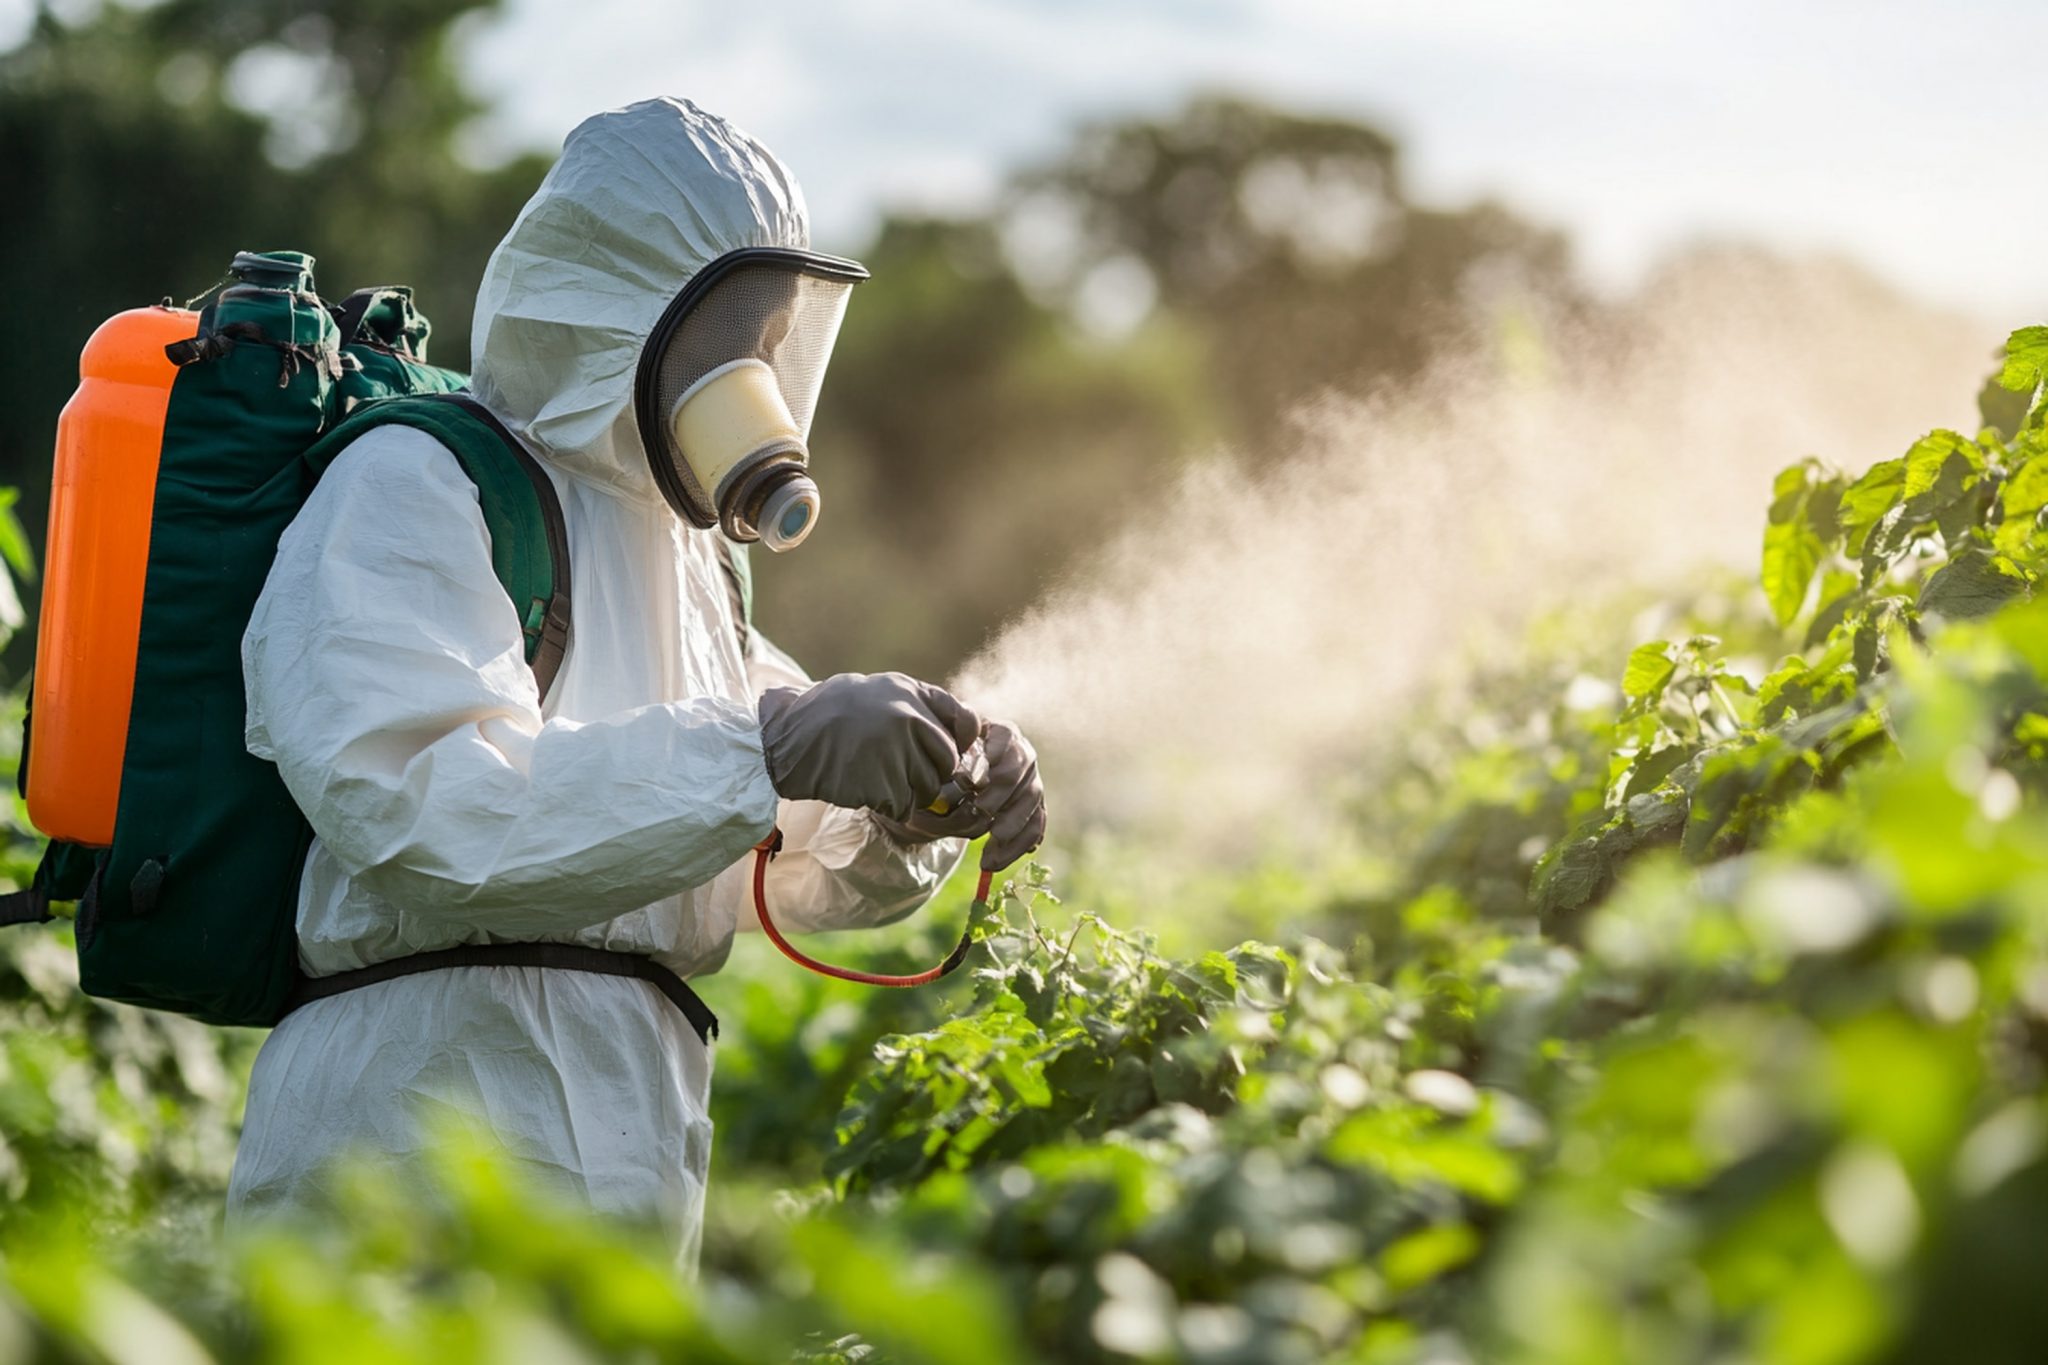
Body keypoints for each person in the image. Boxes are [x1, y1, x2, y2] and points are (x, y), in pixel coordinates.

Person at [224, 97, 1046, 1263]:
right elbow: (428, 809)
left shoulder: (689, 555)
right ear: (616, 305)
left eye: (771, 344)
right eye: (729, 339)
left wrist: (921, 799)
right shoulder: (418, 481)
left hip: (636, 1142)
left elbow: (811, 871)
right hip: (414, 1123)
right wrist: (769, 748)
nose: (756, 377)